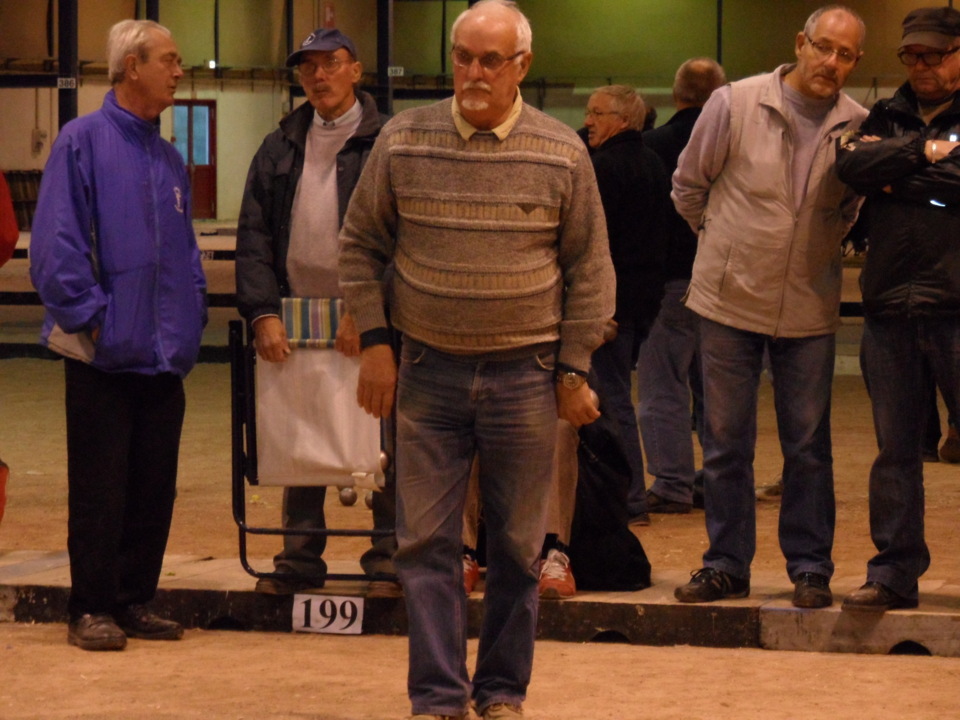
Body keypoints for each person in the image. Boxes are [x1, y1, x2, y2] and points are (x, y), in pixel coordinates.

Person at [338, 1, 615, 716]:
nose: (473, 71)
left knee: (519, 552)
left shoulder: (562, 152)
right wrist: (375, 342)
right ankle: (436, 696)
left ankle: (500, 691)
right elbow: (361, 245)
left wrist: (574, 366)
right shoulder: (403, 140)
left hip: (526, 378)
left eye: (491, 59)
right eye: (463, 56)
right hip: (426, 374)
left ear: (522, 65)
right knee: (425, 545)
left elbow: (590, 268)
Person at [671, 5, 867, 609]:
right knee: (727, 442)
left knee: (808, 446)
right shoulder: (734, 103)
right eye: (823, 47)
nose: (831, 62)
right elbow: (687, 186)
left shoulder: (859, 124)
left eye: (846, 55)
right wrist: (727, 248)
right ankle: (726, 565)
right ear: (800, 43)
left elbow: (851, 210)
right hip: (728, 303)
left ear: (855, 63)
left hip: (809, 308)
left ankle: (810, 568)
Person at [29, 20, 206, 651]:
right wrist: (93, 317)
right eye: (170, 59)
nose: (178, 70)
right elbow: (55, 247)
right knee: (101, 488)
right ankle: (91, 608)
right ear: (132, 67)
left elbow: (184, 254)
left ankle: (134, 598)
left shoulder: (166, 156)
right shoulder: (81, 142)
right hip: (102, 356)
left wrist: (191, 319)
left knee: (153, 486)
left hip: (163, 357)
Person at [235, 28, 397, 596]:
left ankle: (388, 563)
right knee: (298, 441)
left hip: (368, 323)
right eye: (308, 68)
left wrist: (369, 310)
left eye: (331, 64)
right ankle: (297, 564)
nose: (319, 76)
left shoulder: (388, 142)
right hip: (292, 318)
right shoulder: (278, 145)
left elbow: (403, 237)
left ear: (356, 70)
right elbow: (253, 234)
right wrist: (261, 313)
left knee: (380, 444)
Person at [836, 6, 960, 612]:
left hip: (957, 306)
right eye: (912, 55)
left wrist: (898, 169)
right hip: (888, 307)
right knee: (895, 451)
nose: (921, 66)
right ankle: (893, 573)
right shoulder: (883, 112)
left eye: (934, 55)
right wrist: (929, 154)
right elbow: (852, 165)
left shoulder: (892, 127)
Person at [638, 57, 726, 515]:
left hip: (667, 282)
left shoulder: (652, 146)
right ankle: (717, 480)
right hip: (722, 282)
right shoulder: (734, 143)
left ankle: (671, 482)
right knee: (716, 388)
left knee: (661, 385)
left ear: (676, 96)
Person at [583, 84, 671, 525]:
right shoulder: (653, 163)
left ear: (622, 120)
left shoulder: (603, 167)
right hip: (641, 303)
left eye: (597, 113)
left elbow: (593, 244)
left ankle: (631, 497)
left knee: (612, 398)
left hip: (609, 306)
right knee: (615, 394)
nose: (588, 121)